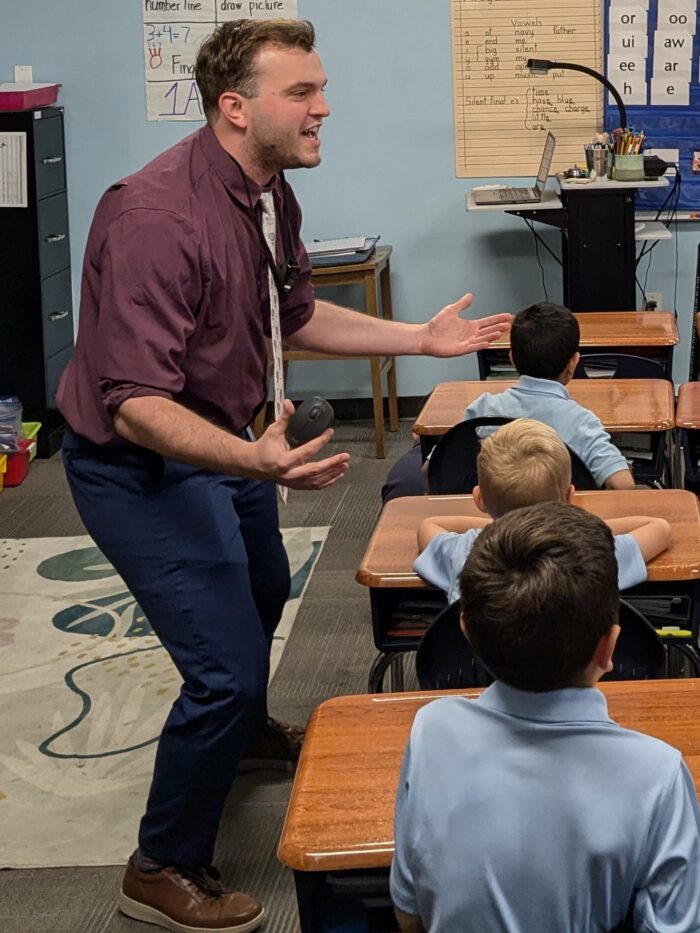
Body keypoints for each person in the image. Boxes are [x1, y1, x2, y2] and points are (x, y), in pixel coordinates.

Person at [55, 17, 511, 933]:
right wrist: (251, 459)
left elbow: (293, 314)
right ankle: (161, 864)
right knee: (219, 668)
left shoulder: (267, 192)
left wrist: (417, 338)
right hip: (139, 463)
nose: (323, 106)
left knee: (263, 586)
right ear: (235, 107)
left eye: (320, 88)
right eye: (302, 93)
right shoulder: (152, 217)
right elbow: (136, 399)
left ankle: (245, 734)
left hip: (231, 443)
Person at [391, 502, 700, 933]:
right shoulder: (659, 776)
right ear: (609, 649)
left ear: (466, 633)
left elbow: (409, 911)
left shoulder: (430, 730)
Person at [381, 301, 634, 504]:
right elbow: (623, 487)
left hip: (488, 530)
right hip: (560, 534)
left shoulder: (482, 409)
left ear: (512, 359)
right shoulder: (582, 423)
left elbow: (431, 471)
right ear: (573, 363)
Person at [414, 418, 670, 603]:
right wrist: (576, 524)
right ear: (570, 497)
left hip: (480, 674)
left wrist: (501, 526)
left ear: (479, 499)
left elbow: (429, 526)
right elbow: (660, 528)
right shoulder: (592, 552)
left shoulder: (465, 551)